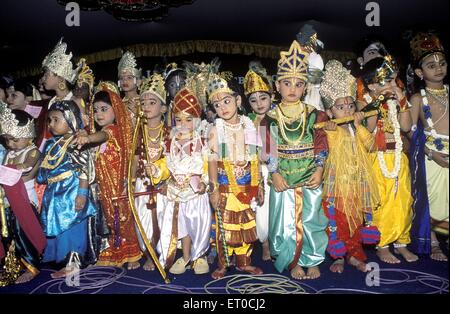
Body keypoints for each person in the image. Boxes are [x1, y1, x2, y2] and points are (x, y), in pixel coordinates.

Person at [265, 39, 329, 280]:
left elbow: (322, 143)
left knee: (312, 218)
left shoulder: (316, 114)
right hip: (283, 178)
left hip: (309, 176)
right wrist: (275, 173)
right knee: (283, 222)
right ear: (277, 86)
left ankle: (312, 258)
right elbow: (267, 149)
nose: (292, 88)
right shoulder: (269, 118)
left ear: (305, 87)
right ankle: (292, 260)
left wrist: (320, 168)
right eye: (286, 83)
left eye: (299, 84)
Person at [72, 82, 143, 269]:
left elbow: (102, 137)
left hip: (117, 186)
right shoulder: (98, 132)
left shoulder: (112, 130)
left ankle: (132, 255)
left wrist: (88, 138)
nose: (99, 114)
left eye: (104, 109)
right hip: (104, 187)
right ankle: (114, 252)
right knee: (109, 220)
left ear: (116, 110)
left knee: (121, 218)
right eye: (95, 110)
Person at [319, 60, 380, 273]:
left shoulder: (356, 128)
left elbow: (372, 146)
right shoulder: (330, 130)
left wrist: (359, 127)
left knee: (356, 222)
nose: (346, 110)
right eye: (340, 107)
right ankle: (339, 257)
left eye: (350, 105)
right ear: (329, 111)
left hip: (358, 185)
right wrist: (331, 131)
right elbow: (332, 150)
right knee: (337, 222)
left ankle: (355, 255)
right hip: (337, 187)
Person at [360, 55, 418, 264]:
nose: (392, 86)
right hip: (377, 159)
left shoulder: (399, 101)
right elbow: (367, 129)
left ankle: (401, 242)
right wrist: (377, 103)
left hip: (399, 158)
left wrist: (401, 101)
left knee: (402, 199)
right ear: (371, 85)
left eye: (395, 80)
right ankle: (382, 244)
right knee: (381, 202)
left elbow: (405, 127)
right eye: (387, 81)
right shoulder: (364, 103)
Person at [207, 74, 264, 279]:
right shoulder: (215, 129)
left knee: (245, 224)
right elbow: (212, 160)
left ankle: (244, 262)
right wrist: (213, 189)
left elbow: (256, 157)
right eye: (217, 104)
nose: (223, 107)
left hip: (247, 185)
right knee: (225, 226)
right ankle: (223, 263)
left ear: (238, 101)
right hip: (224, 186)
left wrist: (260, 186)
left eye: (227, 101)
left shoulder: (249, 125)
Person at [37, 100, 97, 278]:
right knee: (58, 225)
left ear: (70, 119)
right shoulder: (51, 143)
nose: (51, 124)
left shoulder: (76, 142)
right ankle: (61, 258)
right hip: (54, 192)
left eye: (56, 120)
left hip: (71, 190)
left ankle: (74, 263)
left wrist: (82, 193)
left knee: (72, 226)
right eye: (49, 120)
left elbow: (84, 169)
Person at [158, 87, 211, 275]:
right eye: (178, 119)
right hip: (177, 193)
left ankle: (200, 256)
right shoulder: (169, 141)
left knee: (197, 224)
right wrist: (156, 170)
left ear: (196, 120)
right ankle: (186, 256)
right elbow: (165, 164)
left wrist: (206, 181)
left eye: (188, 119)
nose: (183, 123)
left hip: (196, 192)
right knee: (182, 227)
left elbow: (208, 165)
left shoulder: (203, 141)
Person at [409, 32, 448, 261]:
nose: (438, 68)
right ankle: (433, 243)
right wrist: (431, 154)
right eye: (431, 65)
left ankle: (447, 236)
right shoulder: (418, 99)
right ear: (419, 72)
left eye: (442, 63)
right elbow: (412, 133)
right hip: (432, 155)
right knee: (433, 200)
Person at [0, 103, 46, 284]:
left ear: (28, 135)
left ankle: (31, 266)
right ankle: (14, 264)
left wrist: (7, 169)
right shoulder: (10, 153)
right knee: (10, 232)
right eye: (6, 140)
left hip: (26, 197)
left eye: (14, 139)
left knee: (24, 231)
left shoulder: (32, 151)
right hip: (9, 198)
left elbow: (25, 168)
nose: (10, 144)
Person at [131, 73, 170, 271]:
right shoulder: (138, 131)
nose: (146, 106)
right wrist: (129, 181)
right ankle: (149, 253)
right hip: (143, 183)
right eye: (143, 102)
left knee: (164, 219)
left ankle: (163, 253)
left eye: (152, 102)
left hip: (164, 185)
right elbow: (135, 158)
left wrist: (168, 182)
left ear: (163, 108)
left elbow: (174, 160)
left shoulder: (171, 131)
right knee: (143, 221)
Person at [243, 61, 273, 261]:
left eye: (263, 98)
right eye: (253, 100)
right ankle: (264, 243)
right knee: (260, 209)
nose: (259, 103)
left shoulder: (279, 117)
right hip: (257, 170)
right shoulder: (247, 122)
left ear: (272, 96)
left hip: (279, 169)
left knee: (276, 209)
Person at [118, 51, 142, 125]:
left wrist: (137, 113)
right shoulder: (117, 103)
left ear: (138, 82)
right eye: (122, 78)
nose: (124, 81)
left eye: (129, 77)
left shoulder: (144, 101)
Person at [163, 63, 187, 127]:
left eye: (182, 84)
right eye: (173, 85)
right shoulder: (163, 110)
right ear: (167, 89)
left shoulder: (191, 107)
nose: (178, 88)